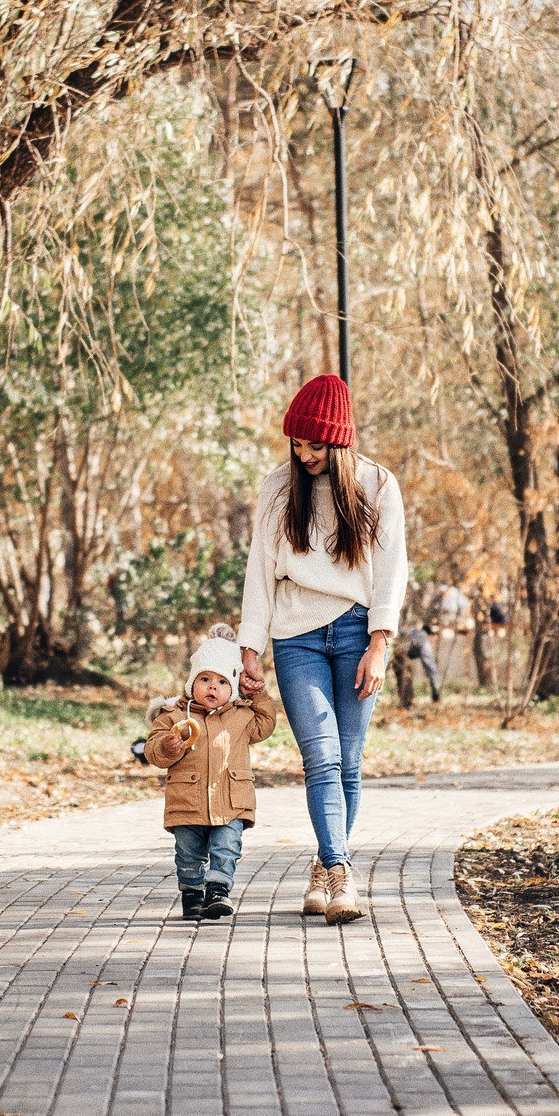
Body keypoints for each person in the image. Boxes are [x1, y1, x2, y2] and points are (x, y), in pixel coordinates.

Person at [237, 374, 407, 925]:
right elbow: (260, 572)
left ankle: (324, 869)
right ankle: (339, 869)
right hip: (296, 636)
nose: (305, 454)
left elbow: (391, 571)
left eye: (316, 445)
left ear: (341, 442)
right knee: (322, 757)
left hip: (358, 631)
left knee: (349, 762)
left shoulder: (378, 486)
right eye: (298, 444)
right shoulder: (278, 488)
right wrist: (250, 647)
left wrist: (380, 643)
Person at [146, 624, 278, 922]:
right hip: (187, 802)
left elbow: (266, 725)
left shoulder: (242, 717)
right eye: (204, 679)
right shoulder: (174, 716)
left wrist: (258, 694)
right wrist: (169, 746)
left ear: (232, 687)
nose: (212, 687)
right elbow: (153, 752)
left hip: (231, 801)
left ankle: (218, 892)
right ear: (191, 682)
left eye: (221, 681)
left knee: (227, 848)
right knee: (188, 854)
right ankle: (192, 894)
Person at [405, 623, 442, 702]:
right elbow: (430, 667)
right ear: (431, 635)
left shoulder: (412, 632)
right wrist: (435, 692)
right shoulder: (424, 639)